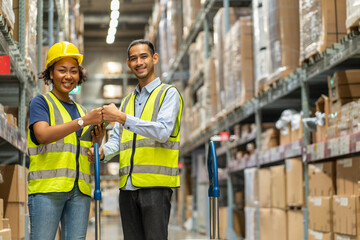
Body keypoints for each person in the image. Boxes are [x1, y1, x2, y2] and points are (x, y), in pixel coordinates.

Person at [88, 39, 183, 240]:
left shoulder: (168, 94)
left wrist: (121, 117)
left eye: (144, 57)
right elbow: (118, 139)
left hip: (155, 188)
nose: (139, 62)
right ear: (128, 63)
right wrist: (103, 152)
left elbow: (163, 131)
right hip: (127, 188)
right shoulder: (127, 101)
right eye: (133, 59)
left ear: (154, 58)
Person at [27, 41, 106, 240]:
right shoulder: (41, 103)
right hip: (48, 190)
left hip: (79, 190)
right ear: (51, 73)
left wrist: (97, 140)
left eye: (73, 71)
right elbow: (42, 135)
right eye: (62, 70)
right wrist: (83, 122)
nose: (68, 76)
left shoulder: (81, 110)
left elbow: (84, 151)